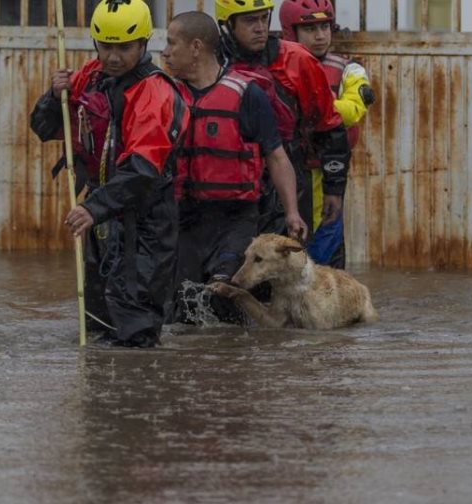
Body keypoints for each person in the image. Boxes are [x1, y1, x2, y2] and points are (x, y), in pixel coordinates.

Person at [30, 0, 189, 348]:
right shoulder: (91, 76)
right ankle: (101, 396)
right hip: (103, 216)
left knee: (135, 324)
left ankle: (137, 394)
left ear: (143, 43)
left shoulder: (154, 91)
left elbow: (143, 168)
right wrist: (52, 96)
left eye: (124, 48)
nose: (113, 57)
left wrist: (92, 208)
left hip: (145, 221)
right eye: (106, 46)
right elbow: (45, 128)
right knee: (99, 321)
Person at [161, 11, 307, 324]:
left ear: (196, 47)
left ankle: (235, 367)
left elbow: (278, 158)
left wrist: (292, 212)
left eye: (172, 43)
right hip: (183, 218)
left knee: (225, 294)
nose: (165, 52)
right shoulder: (165, 94)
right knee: (182, 306)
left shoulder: (247, 95)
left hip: (235, 218)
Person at [215, 0, 352, 269]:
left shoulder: (296, 60)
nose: (260, 28)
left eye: (263, 19)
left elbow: (330, 126)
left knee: (295, 267)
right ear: (228, 25)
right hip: (226, 181)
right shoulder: (210, 61)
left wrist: (334, 190)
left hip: (287, 175)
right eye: (249, 21)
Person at [279, 0, 376, 267]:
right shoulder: (275, 66)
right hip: (284, 170)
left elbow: (354, 108)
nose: (320, 35)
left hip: (326, 173)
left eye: (324, 26)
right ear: (291, 31)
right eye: (310, 28)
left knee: (325, 253)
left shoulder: (350, 69)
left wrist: (312, 104)